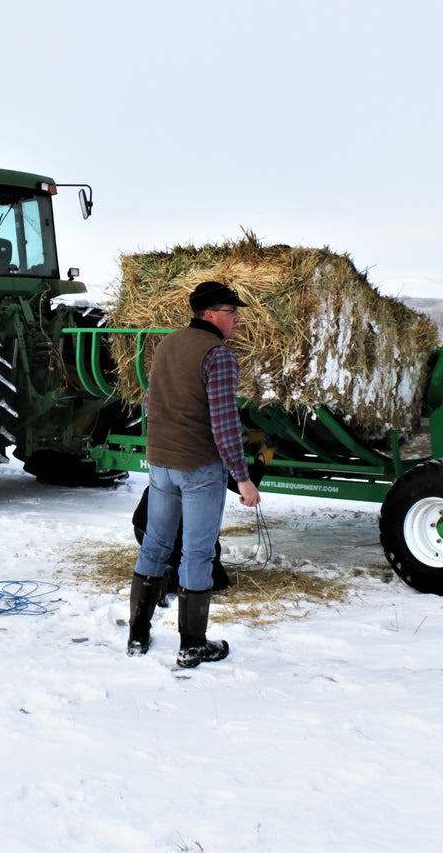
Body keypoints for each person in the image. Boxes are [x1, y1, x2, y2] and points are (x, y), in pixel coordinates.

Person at [127, 280, 261, 667]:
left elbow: (152, 402)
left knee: (155, 545)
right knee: (197, 553)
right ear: (209, 315)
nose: (235, 319)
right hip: (199, 468)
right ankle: (192, 644)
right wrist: (243, 477)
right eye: (230, 312)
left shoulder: (167, 344)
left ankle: (138, 635)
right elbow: (224, 424)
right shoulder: (217, 355)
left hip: (161, 464)